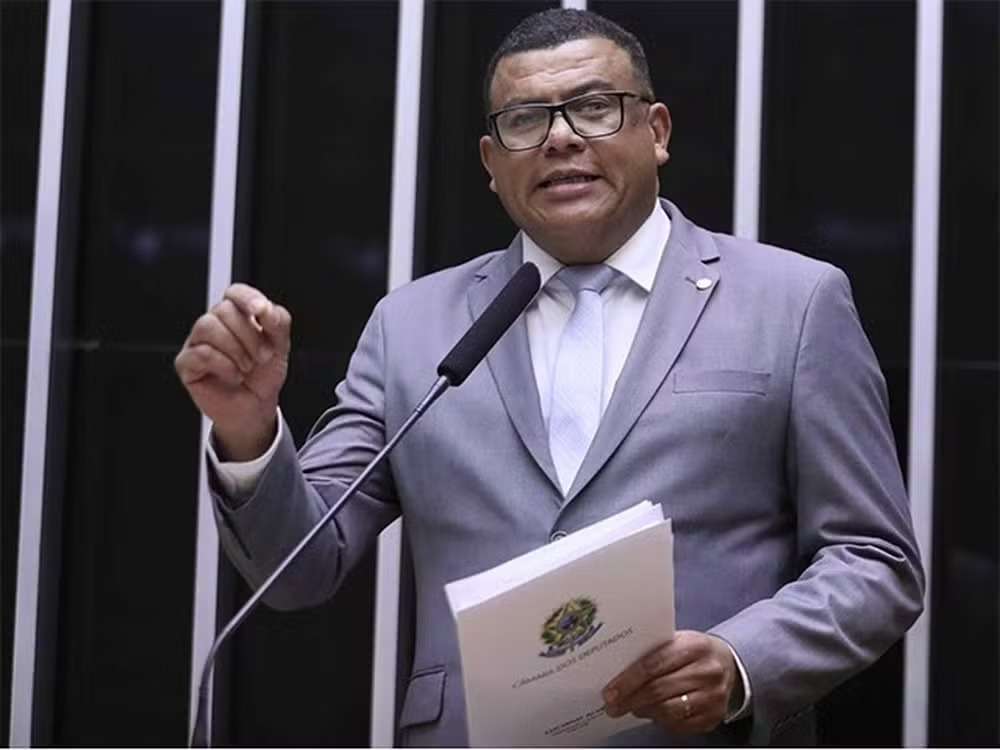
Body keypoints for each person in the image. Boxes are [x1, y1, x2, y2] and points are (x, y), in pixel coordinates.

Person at [174, 9, 923, 747]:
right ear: (490, 162)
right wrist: (248, 431)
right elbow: (299, 569)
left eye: (595, 107)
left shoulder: (793, 302)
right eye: (525, 120)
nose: (560, 138)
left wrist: (739, 661)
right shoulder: (412, 326)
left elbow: (875, 560)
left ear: (657, 131)